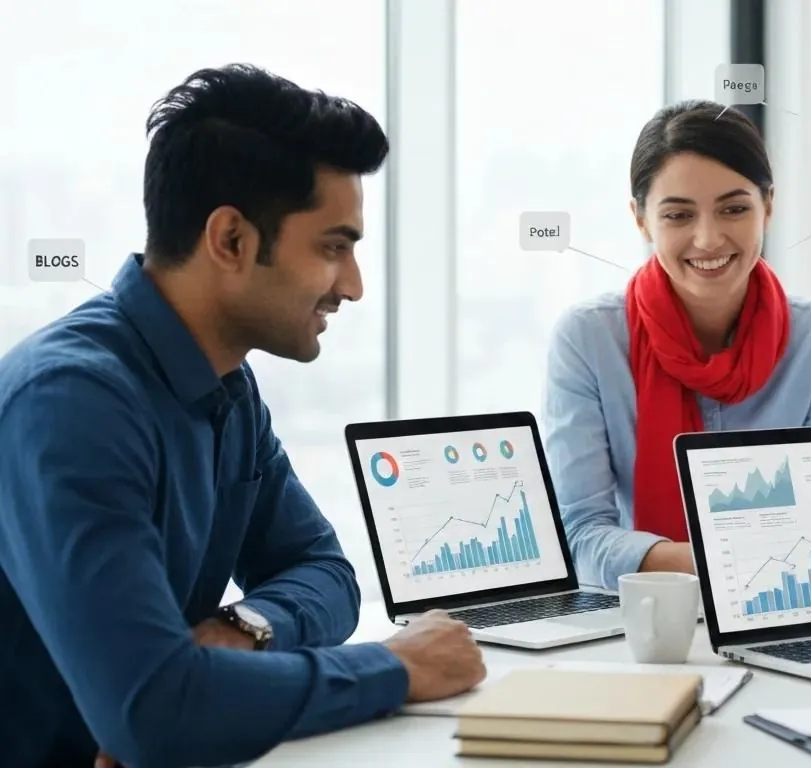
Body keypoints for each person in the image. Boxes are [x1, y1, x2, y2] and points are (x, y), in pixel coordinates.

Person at [0, 64, 486, 768]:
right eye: (333, 246)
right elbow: (155, 711)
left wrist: (246, 627)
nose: (351, 285)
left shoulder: (227, 386)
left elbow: (322, 569)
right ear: (230, 240)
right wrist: (399, 668)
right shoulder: (70, 404)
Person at [542, 99, 811, 590]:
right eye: (678, 215)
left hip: (783, 605)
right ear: (641, 219)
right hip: (637, 618)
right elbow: (577, 533)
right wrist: (727, 563)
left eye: (734, 209)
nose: (709, 239)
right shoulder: (589, 339)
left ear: (768, 207)